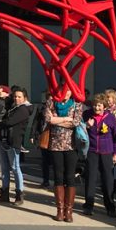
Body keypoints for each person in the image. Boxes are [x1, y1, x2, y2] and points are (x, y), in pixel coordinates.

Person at [44, 89, 83, 222]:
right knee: (58, 176)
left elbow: (76, 122)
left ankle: (69, 211)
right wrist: (66, 119)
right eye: (63, 90)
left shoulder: (77, 104)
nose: (65, 93)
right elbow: (48, 119)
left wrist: (57, 120)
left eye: (68, 91)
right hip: (55, 144)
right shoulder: (51, 102)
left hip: (71, 145)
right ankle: (60, 210)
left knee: (70, 176)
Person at [82, 92, 116, 217]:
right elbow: (79, 129)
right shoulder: (87, 115)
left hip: (106, 152)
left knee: (108, 180)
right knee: (91, 178)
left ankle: (110, 206)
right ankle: (88, 205)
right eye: (94, 106)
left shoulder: (110, 118)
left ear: (104, 106)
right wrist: (87, 126)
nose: (96, 108)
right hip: (92, 151)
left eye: (99, 106)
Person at [0, 87, 29, 206]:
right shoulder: (12, 107)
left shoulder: (24, 109)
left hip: (13, 142)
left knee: (15, 167)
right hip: (3, 139)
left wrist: (0, 124)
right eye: (15, 96)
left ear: (24, 98)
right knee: (4, 168)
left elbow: (10, 122)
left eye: (19, 97)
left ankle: (19, 194)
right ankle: (4, 193)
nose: (16, 98)